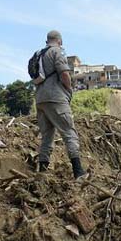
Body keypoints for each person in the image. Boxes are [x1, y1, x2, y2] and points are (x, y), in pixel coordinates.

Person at [34, 30, 84, 177]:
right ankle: (78, 172)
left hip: (40, 99)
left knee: (47, 136)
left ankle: (42, 172)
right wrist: (69, 89)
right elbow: (64, 74)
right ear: (60, 41)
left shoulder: (38, 54)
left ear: (47, 41)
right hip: (56, 97)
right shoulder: (57, 52)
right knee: (69, 133)